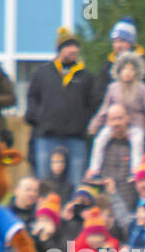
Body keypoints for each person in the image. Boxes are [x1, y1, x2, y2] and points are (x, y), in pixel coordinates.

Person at [26, 28, 95, 187]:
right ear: (60, 49)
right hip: (46, 136)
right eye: (68, 46)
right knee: (44, 182)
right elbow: (32, 98)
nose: (73, 49)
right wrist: (40, 118)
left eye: (75, 46)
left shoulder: (85, 76)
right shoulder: (43, 73)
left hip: (75, 138)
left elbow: (92, 104)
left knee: (76, 182)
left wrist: (83, 122)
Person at [87, 54, 145, 173]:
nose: (128, 72)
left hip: (135, 125)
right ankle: (94, 169)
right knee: (100, 139)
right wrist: (95, 125)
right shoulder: (113, 88)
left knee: (138, 141)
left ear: (137, 72)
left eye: (132, 69)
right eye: (125, 69)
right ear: (119, 70)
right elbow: (104, 109)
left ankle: (135, 171)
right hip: (114, 125)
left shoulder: (143, 89)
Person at [93, 18, 145, 110]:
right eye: (115, 42)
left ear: (131, 43)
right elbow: (99, 94)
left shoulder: (143, 64)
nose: (118, 45)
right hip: (113, 116)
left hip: (137, 114)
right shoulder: (108, 66)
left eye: (122, 41)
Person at [85, 104, 136, 195]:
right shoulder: (103, 143)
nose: (116, 123)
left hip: (131, 196)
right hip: (107, 197)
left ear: (127, 118)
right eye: (113, 119)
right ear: (107, 122)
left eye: (120, 118)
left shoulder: (136, 142)